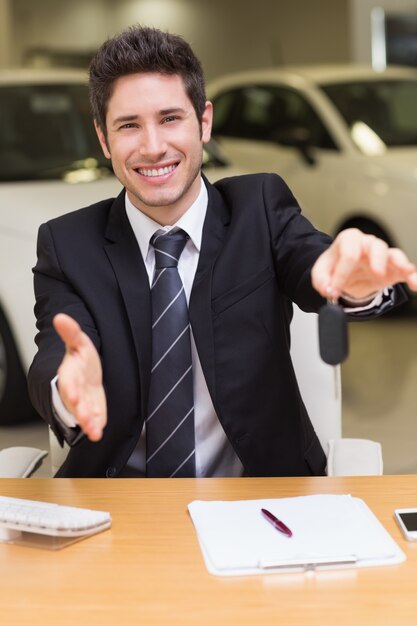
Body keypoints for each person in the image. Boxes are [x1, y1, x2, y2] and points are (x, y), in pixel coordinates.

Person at [28, 26, 417, 478]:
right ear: (103, 138)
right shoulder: (68, 244)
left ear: (204, 122)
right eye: (129, 125)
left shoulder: (260, 208)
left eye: (170, 118)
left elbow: (309, 260)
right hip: (119, 505)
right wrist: (66, 390)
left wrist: (351, 284)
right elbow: (56, 353)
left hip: (260, 499)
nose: (153, 147)